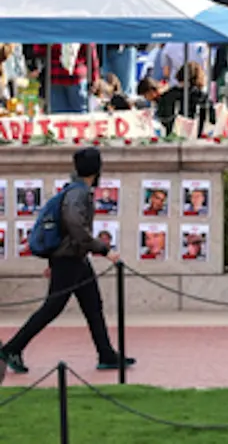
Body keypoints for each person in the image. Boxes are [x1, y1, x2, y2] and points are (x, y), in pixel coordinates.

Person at [0, 148, 133, 378]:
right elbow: (74, 226)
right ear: (96, 169)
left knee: (93, 306)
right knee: (52, 308)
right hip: (70, 259)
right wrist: (104, 250)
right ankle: (12, 348)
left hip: (76, 259)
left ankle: (106, 353)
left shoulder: (75, 191)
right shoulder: (78, 194)